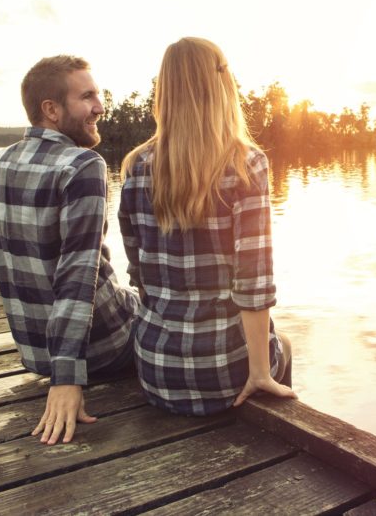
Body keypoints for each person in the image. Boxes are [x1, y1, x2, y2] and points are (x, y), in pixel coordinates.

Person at [0, 55, 139, 445]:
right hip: (102, 348)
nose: (99, 107)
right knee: (160, 308)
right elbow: (77, 274)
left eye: (97, 95)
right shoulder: (83, 165)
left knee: (133, 293)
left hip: (37, 357)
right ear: (51, 110)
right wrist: (68, 378)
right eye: (87, 97)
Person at [118, 37, 295, 416]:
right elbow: (254, 281)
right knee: (286, 345)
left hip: (155, 368)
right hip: (223, 370)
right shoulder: (247, 165)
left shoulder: (135, 166)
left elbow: (139, 271)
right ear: (221, 86)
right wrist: (260, 372)